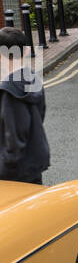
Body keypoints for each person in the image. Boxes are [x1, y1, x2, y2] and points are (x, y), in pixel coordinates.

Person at [0, 27, 48, 185]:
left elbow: (14, 138)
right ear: (26, 51)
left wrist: (5, 169)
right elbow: (40, 115)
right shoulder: (32, 79)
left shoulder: (10, 90)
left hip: (15, 172)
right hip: (33, 160)